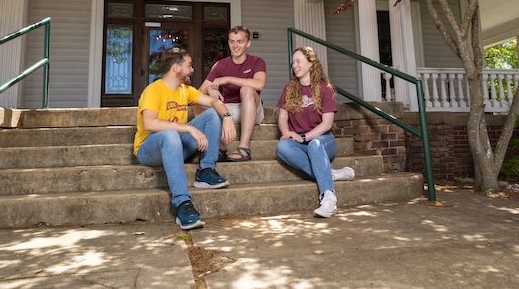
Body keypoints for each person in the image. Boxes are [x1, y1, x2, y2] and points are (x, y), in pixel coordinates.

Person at [134, 48, 237, 230]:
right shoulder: (153, 90)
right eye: (188, 65)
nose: (192, 69)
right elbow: (149, 123)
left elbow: (214, 102)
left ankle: (206, 171)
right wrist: (188, 128)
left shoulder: (185, 90)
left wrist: (227, 117)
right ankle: (183, 204)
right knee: (170, 133)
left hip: (176, 146)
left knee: (213, 114)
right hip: (149, 149)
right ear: (176, 68)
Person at [276, 47, 355, 218]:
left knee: (314, 144)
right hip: (298, 141)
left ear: (311, 63)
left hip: (323, 141)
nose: (294, 65)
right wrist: (287, 132)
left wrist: (304, 136)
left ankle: (329, 197)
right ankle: (328, 173)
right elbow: (282, 117)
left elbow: (327, 124)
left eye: (298, 61)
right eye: (293, 62)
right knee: (282, 147)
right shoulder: (289, 89)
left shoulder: (324, 89)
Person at [194, 26, 267, 162]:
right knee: (198, 103)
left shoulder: (257, 62)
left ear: (248, 43)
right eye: (232, 41)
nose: (235, 45)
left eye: (240, 41)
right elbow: (197, 94)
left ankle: (244, 148)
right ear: (228, 43)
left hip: (252, 109)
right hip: (229, 110)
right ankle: (220, 148)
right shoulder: (220, 65)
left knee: (246, 89)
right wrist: (209, 89)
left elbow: (259, 84)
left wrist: (228, 79)